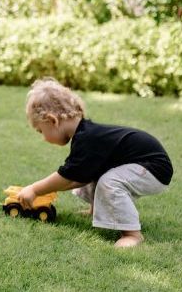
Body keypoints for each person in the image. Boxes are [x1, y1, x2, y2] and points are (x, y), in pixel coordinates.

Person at [18, 78, 172, 248]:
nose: (43, 137)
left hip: (153, 167)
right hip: (142, 164)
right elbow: (80, 177)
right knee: (93, 172)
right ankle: (96, 210)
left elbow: (68, 177)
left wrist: (34, 189)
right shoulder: (85, 135)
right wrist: (48, 188)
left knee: (109, 181)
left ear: (52, 120)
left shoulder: (87, 138)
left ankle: (132, 235)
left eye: (41, 130)